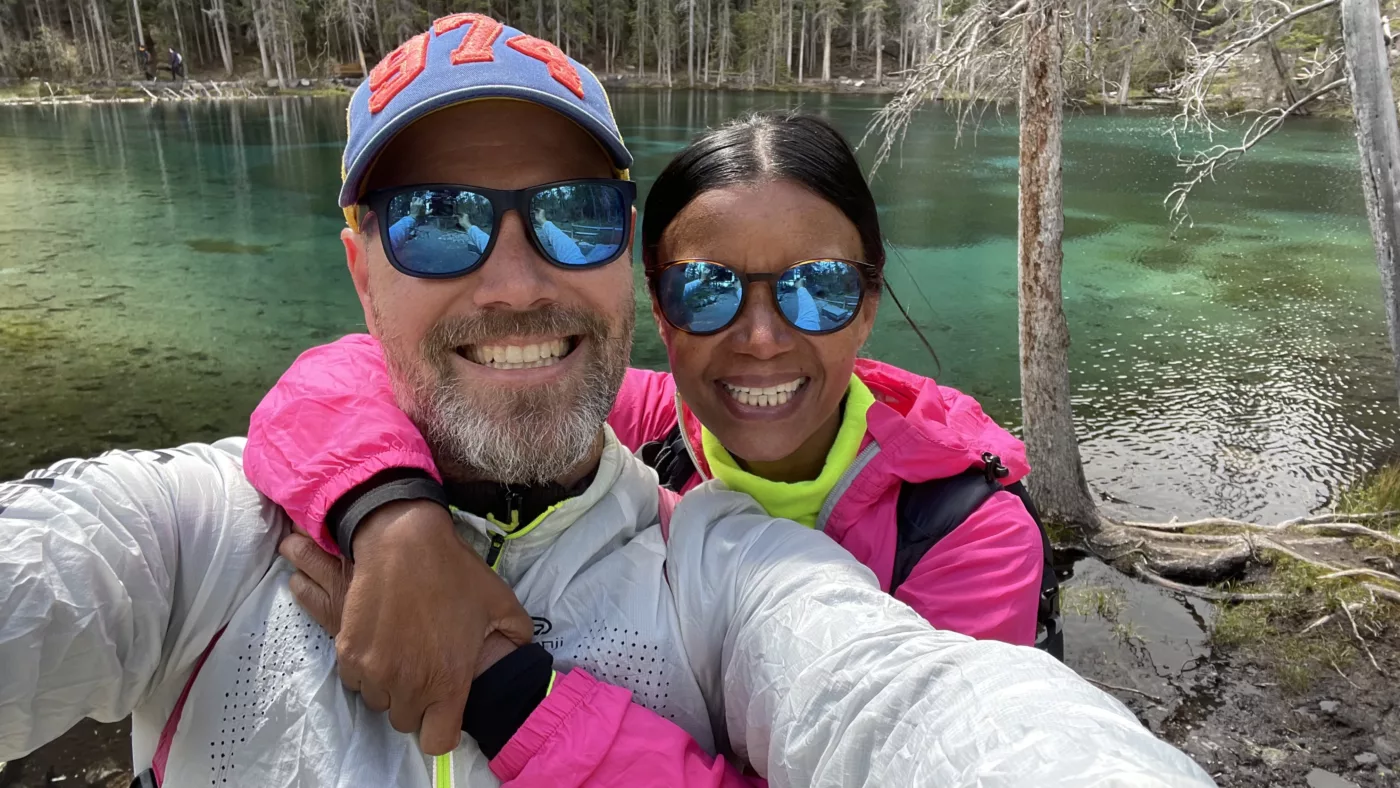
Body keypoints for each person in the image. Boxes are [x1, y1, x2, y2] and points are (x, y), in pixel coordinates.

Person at [0, 15, 1216, 788]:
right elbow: (335, 378)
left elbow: (919, 707)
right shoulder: (194, 541)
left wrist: (507, 692)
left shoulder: (842, 541)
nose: (518, 280)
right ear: (359, 265)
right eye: (436, 220)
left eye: (572, 213)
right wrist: (385, 508)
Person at [245, 112, 1060, 676]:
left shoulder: (965, 531)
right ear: (661, 315)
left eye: (818, 288)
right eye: (707, 290)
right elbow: (357, 371)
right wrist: (391, 519)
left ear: (867, 309)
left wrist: (498, 686)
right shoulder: (653, 421)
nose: (763, 336)